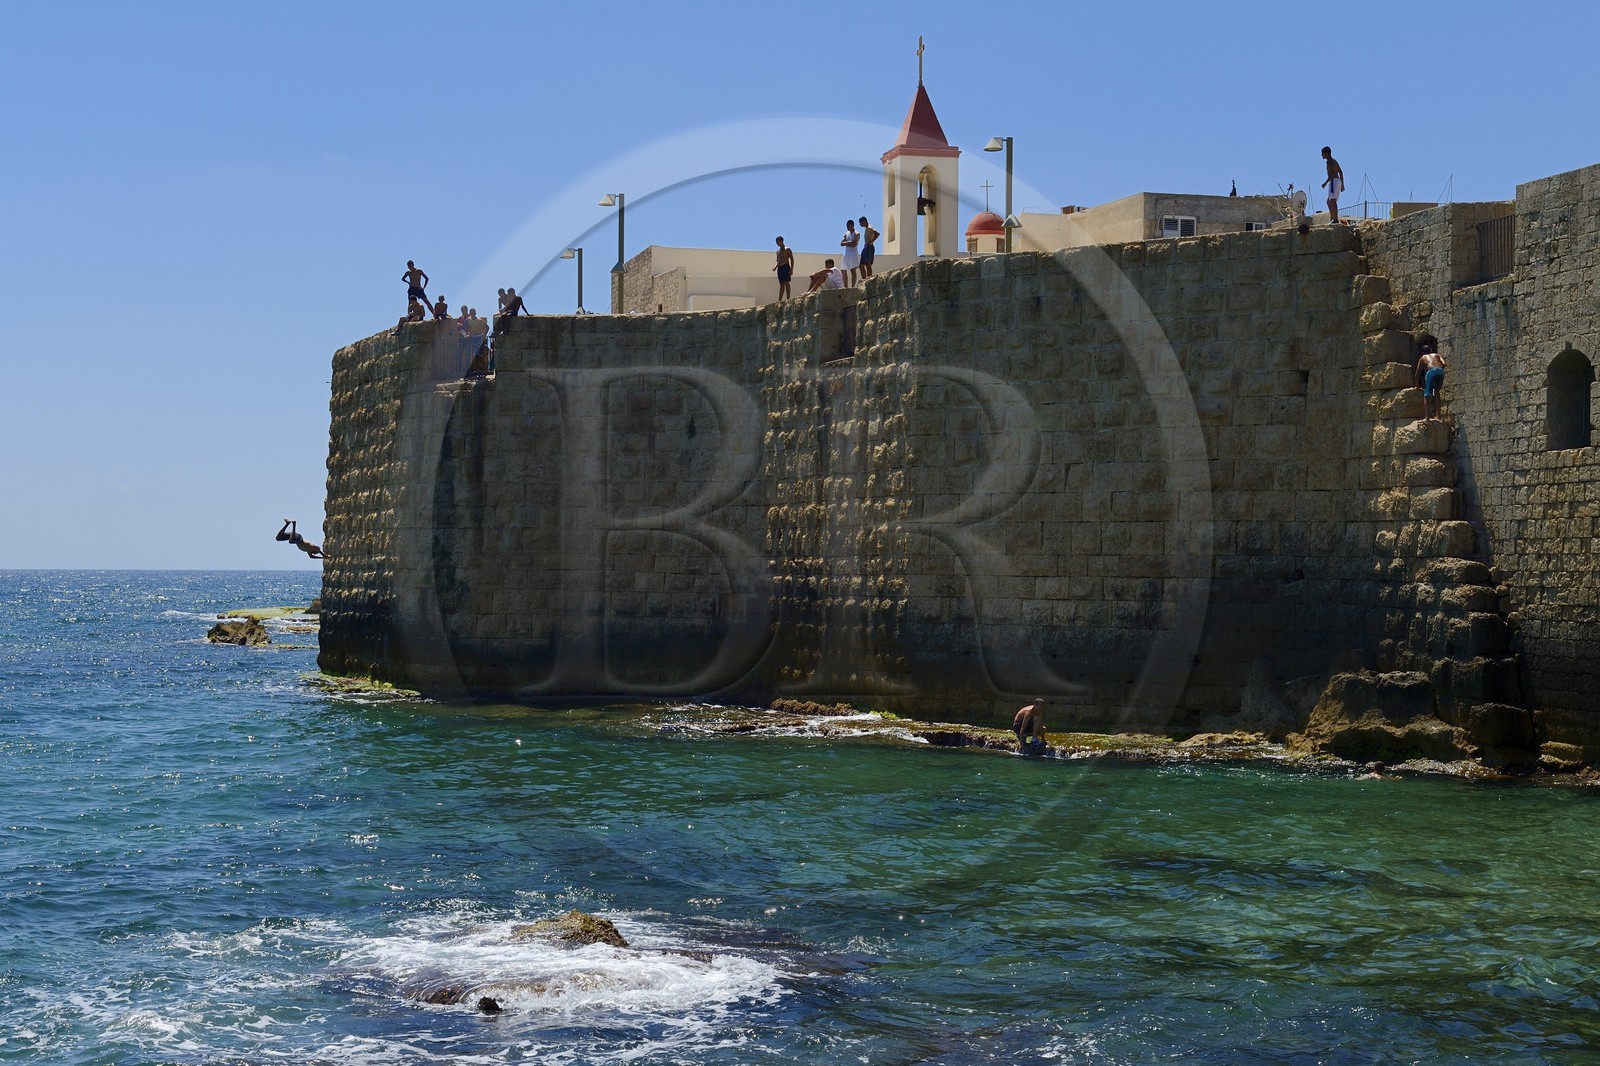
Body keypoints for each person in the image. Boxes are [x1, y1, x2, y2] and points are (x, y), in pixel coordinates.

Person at [1415, 334, 1447, 421]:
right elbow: (1444, 364)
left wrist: (1417, 386)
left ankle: (1427, 418)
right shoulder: (1436, 355)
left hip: (1431, 372)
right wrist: (1438, 369)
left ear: (1422, 352)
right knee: (1436, 392)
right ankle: (1439, 416)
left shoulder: (1422, 358)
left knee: (1427, 395)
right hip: (1440, 371)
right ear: (1430, 350)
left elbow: (1417, 374)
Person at [1321, 146, 1344, 225]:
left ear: (1326, 153)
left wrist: (1325, 183)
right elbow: (1340, 172)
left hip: (1334, 181)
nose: (1322, 155)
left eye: (1323, 153)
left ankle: (1335, 219)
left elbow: (1334, 173)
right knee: (1329, 201)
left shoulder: (1331, 161)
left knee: (1333, 201)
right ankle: (1333, 218)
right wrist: (1342, 184)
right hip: (1334, 182)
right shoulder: (1333, 161)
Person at [840, 219, 861, 285]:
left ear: (852, 225)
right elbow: (841, 243)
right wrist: (850, 242)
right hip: (846, 253)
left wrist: (847, 243)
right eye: (847, 225)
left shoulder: (856, 233)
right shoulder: (846, 234)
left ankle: (852, 286)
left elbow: (854, 244)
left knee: (852, 270)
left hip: (853, 254)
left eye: (848, 225)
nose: (847, 227)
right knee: (843, 269)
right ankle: (845, 286)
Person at [773, 236, 795, 301]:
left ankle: (788, 298)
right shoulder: (777, 251)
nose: (776, 243)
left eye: (777, 241)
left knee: (786, 283)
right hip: (780, 268)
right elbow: (777, 260)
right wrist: (775, 267)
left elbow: (792, 259)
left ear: (781, 241)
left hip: (786, 267)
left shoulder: (787, 249)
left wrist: (791, 269)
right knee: (781, 284)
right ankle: (780, 300)